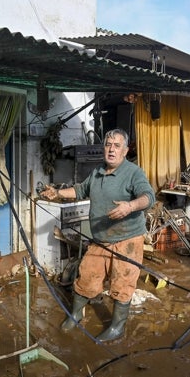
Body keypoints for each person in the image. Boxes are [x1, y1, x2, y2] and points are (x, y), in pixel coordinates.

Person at [40, 128, 155, 342]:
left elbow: (148, 197)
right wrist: (57, 194)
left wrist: (130, 206)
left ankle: (117, 327)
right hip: (101, 239)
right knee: (87, 276)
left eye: (117, 146)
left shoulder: (133, 173)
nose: (111, 149)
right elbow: (80, 190)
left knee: (122, 284)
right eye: (108, 145)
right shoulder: (98, 171)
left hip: (127, 239)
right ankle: (75, 315)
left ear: (125, 151)